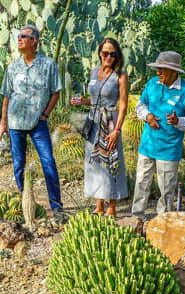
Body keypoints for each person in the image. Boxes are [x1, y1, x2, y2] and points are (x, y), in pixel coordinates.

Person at [0, 25, 63, 211]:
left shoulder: (48, 65)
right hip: (15, 123)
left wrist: (45, 115)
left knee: (48, 162)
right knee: (19, 164)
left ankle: (57, 205)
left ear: (33, 41)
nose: (18, 39)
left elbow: (56, 92)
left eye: (23, 36)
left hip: (38, 123)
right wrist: (3, 122)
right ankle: (25, 201)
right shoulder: (13, 67)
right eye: (18, 36)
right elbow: (7, 95)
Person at [131, 51, 185, 219]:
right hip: (147, 145)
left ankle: (164, 221)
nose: (158, 73)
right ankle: (137, 217)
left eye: (162, 69)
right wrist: (147, 116)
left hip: (169, 149)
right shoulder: (152, 84)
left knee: (166, 189)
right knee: (141, 183)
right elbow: (140, 105)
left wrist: (178, 121)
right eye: (157, 69)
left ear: (174, 71)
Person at [71, 37, 128, 217]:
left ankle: (112, 205)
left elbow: (124, 105)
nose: (108, 57)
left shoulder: (121, 76)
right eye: (105, 53)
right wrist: (82, 101)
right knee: (95, 162)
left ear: (117, 55)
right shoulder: (94, 72)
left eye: (112, 54)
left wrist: (117, 131)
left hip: (110, 120)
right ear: (100, 54)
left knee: (111, 160)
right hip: (93, 120)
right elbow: (94, 99)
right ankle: (99, 204)